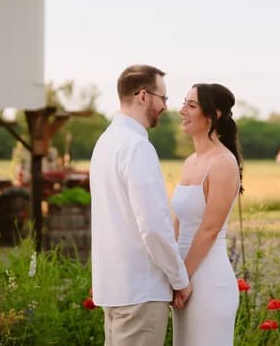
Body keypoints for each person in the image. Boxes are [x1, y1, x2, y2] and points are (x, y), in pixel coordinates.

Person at [89, 64, 193, 346]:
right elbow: (154, 226)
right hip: (141, 291)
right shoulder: (137, 147)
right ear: (143, 96)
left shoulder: (105, 143)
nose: (166, 107)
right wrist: (179, 279)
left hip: (113, 288)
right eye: (163, 98)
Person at [172, 83, 243, 345]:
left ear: (214, 115)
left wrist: (183, 278)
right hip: (184, 281)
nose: (182, 110)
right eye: (184, 103)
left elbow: (210, 229)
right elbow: (178, 221)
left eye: (191, 105)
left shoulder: (223, 163)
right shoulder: (190, 162)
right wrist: (174, 274)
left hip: (208, 282)